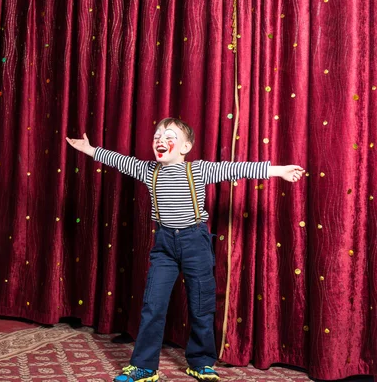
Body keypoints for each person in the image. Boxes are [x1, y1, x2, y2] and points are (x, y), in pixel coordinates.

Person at [65, 118, 305, 382]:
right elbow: (118, 160)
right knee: (153, 305)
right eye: (156, 135)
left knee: (202, 305)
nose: (160, 140)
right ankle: (144, 367)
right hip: (164, 246)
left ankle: (201, 362)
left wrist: (278, 170)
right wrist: (89, 150)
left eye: (169, 136)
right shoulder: (147, 170)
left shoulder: (199, 170)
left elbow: (236, 169)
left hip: (196, 243)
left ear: (185, 147)